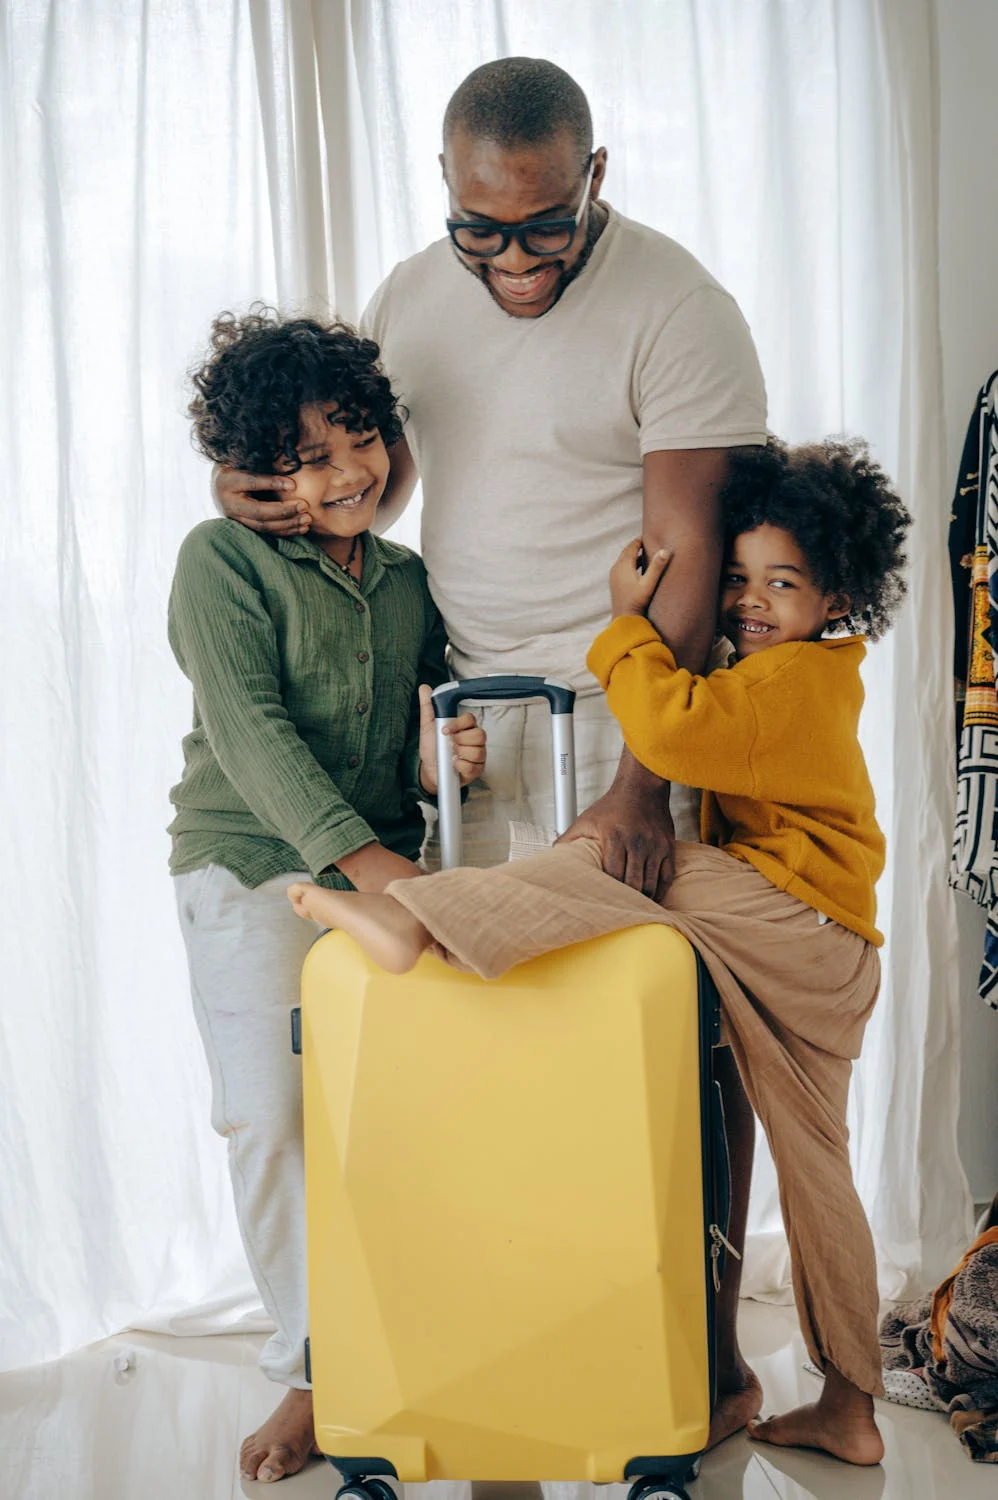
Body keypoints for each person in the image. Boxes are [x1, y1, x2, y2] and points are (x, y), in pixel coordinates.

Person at [215, 59, 769, 1471]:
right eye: (481, 229)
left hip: (624, 719)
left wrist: (644, 783)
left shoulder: (677, 307)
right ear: (445, 194)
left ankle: (698, 1357)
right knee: (495, 1048)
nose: (512, 260)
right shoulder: (409, 298)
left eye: (542, 226)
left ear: (596, 178)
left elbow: (691, 550)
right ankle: (507, 1338)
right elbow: (363, 477)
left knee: (669, 1038)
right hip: (464, 717)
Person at [288, 437, 913, 1467]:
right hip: (818, 943)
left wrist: (624, 625)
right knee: (818, 1175)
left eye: (782, 584)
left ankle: (422, 918)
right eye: (738, 579)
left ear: (836, 596)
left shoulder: (790, 684)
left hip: (796, 928)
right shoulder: (787, 670)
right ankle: (848, 1405)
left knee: (626, 859)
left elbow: (666, 732)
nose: (750, 603)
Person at [168, 309, 485, 1483]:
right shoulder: (220, 562)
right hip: (250, 868)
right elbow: (248, 735)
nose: (343, 470)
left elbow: (404, 729)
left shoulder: (409, 582)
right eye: (305, 456)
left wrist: (428, 761)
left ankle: (416, 1337)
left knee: (393, 1121)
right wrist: (372, 864)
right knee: (271, 1118)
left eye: (354, 437)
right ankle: (311, 1374)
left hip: (377, 874)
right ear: (256, 469)